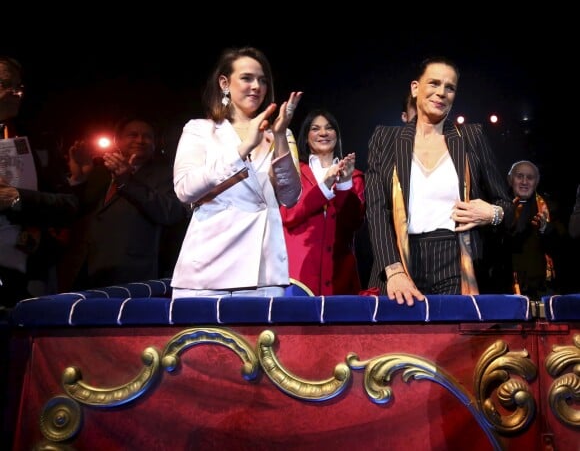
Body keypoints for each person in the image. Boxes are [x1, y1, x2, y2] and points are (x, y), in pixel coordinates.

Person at [365, 56, 514, 306]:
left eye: (450, 87)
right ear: (415, 88)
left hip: (456, 260)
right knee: (403, 344)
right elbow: (375, 210)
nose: (441, 92)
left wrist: (493, 213)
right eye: (434, 83)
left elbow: (506, 206)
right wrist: (393, 270)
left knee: (451, 342)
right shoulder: (385, 138)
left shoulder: (471, 137)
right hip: (400, 258)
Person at [170, 46, 303, 298]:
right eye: (247, 78)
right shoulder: (199, 130)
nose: (256, 86)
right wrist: (244, 148)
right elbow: (185, 190)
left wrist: (278, 136)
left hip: (262, 271)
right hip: (206, 269)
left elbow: (290, 196)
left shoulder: (280, 133)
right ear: (224, 83)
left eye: (262, 80)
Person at [62, 115, 190, 290]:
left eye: (147, 136)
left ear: (155, 143)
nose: (140, 140)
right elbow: (74, 210)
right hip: (85, 272)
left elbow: (171, 213)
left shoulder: (168, 175)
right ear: (117, 140)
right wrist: (79, 177)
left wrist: (126, 182)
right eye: (133, 135)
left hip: (133, 276)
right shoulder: (99, 173)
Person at [0, 55, 79, 308]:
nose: (15, 93)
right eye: (4, 84)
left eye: (18, 86)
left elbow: (69, 205)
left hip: (22, 280)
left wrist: (16, 198)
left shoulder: (37, 142)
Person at [280, 108, 365, 295]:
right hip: (298, 277)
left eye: (329, 128)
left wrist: (344, 185)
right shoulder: (294, 173)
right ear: (305, 136)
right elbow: (289, 216)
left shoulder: (355, 177)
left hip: (340, 276)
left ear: (337, 134)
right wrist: (325, 187)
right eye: (315, 128)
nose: (323, 133)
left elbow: (352, 224)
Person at [485, 160, 566, 298]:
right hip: (504, 288)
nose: (524, 181)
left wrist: (545, 228)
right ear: (510, 179)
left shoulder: (550, 207)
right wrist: (508, 221)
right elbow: (488, 246)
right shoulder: (495, 208)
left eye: (530, 177)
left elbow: (563, 246)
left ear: (537, 181)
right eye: (519, 176)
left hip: (541, 289)